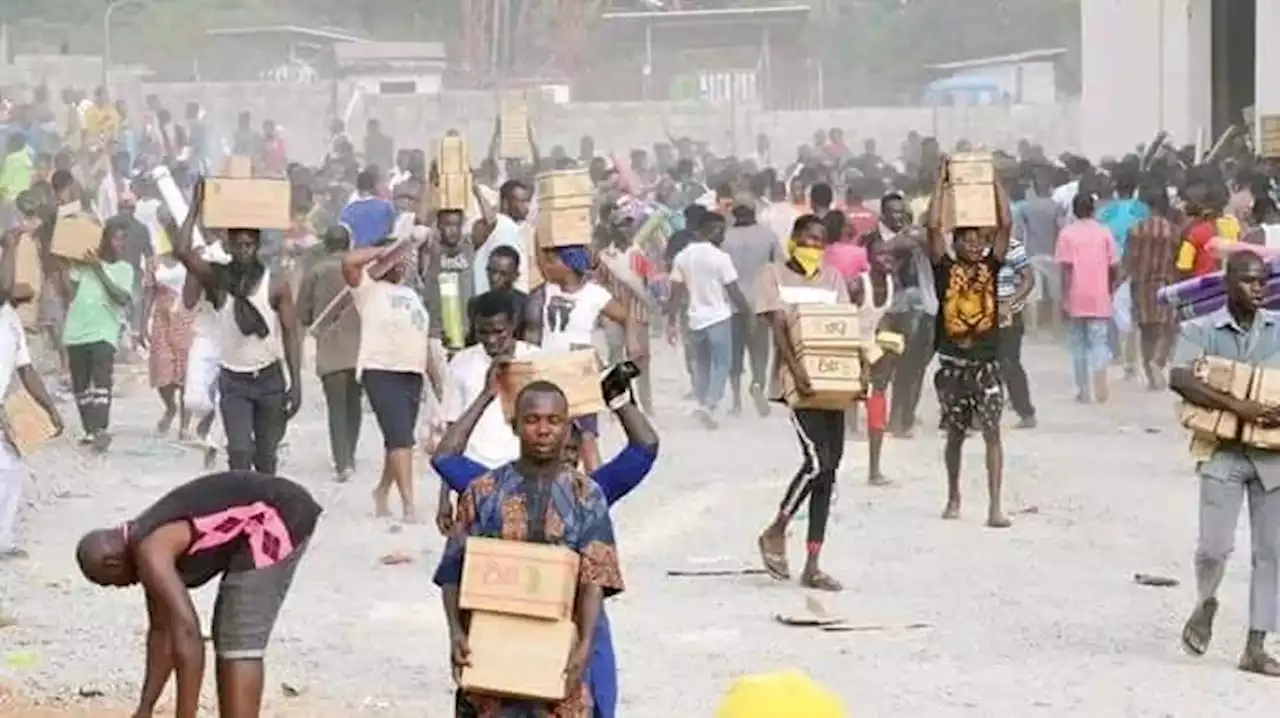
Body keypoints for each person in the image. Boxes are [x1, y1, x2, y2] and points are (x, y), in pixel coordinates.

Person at [432, 363, 657, 718]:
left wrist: (584, 645)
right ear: (516, 425)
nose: (543, 431)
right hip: (493, 655)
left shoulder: (587, 494)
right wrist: (455, 633)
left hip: (561, 651)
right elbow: (452, 570)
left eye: (554, 422)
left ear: (568, 429)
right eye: (532, 420)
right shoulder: (485, 491)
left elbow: (594, 579)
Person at [74, 472, 322, 717]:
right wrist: (145, 709)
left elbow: (188, 635)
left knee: (238, 634)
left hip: (279, 515)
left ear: (111, 564)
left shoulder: (151, 550)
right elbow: (162, 633)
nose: (120, 588)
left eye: (109, 584)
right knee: (229, 630)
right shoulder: (142, 544)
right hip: (270, 511)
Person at [1171, 250, 1280, 677]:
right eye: (1250, 281)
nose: (1258, 288)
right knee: (1213, 549)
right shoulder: (1201, 329)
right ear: (1229, 281)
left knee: (1271, 554)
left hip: (1272, 458)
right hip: (1223, 454)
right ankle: (1206, 601)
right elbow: (1180, 378)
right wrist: (1239, 406)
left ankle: (1256, 644)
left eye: (1263, 281)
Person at [174, 180, 302, 474]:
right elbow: (182, 251)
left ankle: (263, 513)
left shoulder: (276, 284)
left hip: (269, 379)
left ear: (257, 246)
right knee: (239, 453)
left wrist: (296, 384)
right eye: (238, 244)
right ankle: (241, 512)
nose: (244, 250)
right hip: (234, 381)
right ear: (228, 246)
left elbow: (291, 334)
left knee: (266, 458)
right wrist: (196, 206)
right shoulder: (218, 281)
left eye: (249, 244)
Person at [755, 214, 853, 591]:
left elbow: (842, 328)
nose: (814, 246)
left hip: (833, 381)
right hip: (796, 383)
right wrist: (796, 372)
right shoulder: (772, 275)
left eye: (820, 241)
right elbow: (779, 328)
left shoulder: (833, 279)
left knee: (829, 471)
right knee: (816, 462)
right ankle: (776, 530)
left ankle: (813, 562)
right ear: (794, 239)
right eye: (808, 239)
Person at [926, 161, 1013, 528]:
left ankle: (995, 506)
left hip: (987, 364)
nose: (976, 244)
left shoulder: (991, 267)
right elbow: (932, 226)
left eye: (980, 239)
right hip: (954, 365)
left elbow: (1005, 223)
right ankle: (954, 495)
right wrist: (941, 182)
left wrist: (993, 180)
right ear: (956, 241)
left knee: (993, 433)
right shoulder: (944, 267)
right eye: (968, 239)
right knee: (956, 435)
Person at [343, 237, 438, 523]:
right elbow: (349, 262)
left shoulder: (411, 295)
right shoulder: (367, 289)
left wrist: (436, 380)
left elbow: (421, 337)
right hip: (381, 370)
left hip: (412, 372)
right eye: (399, 259)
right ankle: (409, 504)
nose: (403, 264)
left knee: (398, 441)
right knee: (401, 439)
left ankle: (382, 490)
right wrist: (383, 252)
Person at [526, 245, 639, 471]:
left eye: (554, 261)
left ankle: (596, 489)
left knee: (587, 435)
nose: (548, 266)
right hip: (550, 367)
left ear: (569, 266)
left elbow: (627, 316)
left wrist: (632, 343)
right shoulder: (547, 290)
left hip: (579, 368)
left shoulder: (594, 294)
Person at [0, 229, 64, 560]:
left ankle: (3, 539)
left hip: (2, 408)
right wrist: (10, 246)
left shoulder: (10, 320)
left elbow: (26, 370)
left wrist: (49, 409)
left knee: (11, 468)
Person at [59, 217, 135, 451]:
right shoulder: (82, 266)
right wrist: (62, 265)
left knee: (101, 383)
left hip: (104, 333)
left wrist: (98, 269)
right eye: (117, 238)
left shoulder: (124, 269)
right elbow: (68, 293)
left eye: (125, 239)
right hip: (76, 332)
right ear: (105, 240)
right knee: (81, 386)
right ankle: (90, 431)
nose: (121, 244)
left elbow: (121, 297)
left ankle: (101, 429)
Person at [668, 209, 749, 427]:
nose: (723, 237)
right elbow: (733, 291)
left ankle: (703, 402)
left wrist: (670, 322)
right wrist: (747, 312)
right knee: (722, 363)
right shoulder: (720, 258)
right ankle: (710, 405)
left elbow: (675, 292)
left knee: (701, 364)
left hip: (694, 319)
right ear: (712, 231)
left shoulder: (682, 256)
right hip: (719, 317)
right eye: (721, 232)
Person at [297, 225, 362, 481]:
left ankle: (342, 462)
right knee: (354, 403)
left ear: (326, 245)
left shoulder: (316, 271)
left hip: (330, 348)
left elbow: (303, 313)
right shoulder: (360, 271)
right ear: (349, 244)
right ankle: (351, 454)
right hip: (359, 348)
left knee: (336, 406)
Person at [720, 191, 781, 417]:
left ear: (735, 213)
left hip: (733, 305)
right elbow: (779, 269)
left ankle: (736, 402)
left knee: (734, 356)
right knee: (759, 353)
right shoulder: (769, 236)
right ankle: (757, 385)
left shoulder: (725, 238)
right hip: (760, 304)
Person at [1056, 193, 1120, 403]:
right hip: (1100, 295)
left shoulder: (1067, 234)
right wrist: (1110, 289)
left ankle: (1083, 390)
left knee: (1078, 345)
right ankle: (1100, 386)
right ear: (1093, 209)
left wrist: (1064, 298)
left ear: (1074, 211)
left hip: (1076, 295)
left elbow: (1066, 269)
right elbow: (1114, 266)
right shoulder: (1104, 232)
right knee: (1099, 342)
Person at [1126, 182, 1183, 389]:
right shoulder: (1175, 232)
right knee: (1167, 329)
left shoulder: (1136, 230)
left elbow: (1129, 260)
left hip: (1142, 285)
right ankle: (1158, 362)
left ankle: (1151, 376)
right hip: (1167, 284)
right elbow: (1179, 261)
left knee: (1146, 330)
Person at [141, 244, 195, 436]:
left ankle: (185, 424)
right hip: (161, 321)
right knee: (162, 371)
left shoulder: (193, 260)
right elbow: (148, 294)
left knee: (186, 375)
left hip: (188, 320)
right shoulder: (154, 262)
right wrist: (141, 325)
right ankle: (170, 407)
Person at [996, 226, 1037, 428]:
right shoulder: (971, 246)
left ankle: (1025, 411)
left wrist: (1011, 303)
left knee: (1009, 363)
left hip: (1008, 313)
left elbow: (1028, 280)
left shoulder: (1013, 247)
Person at [473, 179, 532, 294]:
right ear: (505, 203)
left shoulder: (516, 229)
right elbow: (490, 221)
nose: (527, 207)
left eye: (528, 201)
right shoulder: (499, 223)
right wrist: (477, 190)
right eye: (522, 201)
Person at [466, 245, 528, 345]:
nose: (495, 278)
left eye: (503, 274)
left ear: (515, 276)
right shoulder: (476, 303)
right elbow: (472, 341)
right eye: (492, 272)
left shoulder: (526, 305)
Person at [339, 169, 397, 249]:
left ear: (358, 188)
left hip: (358, 256)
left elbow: (344, 237)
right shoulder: (386, 206)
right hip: (383, 253)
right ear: (374, 186)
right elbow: (393, 230)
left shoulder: (347, 210)